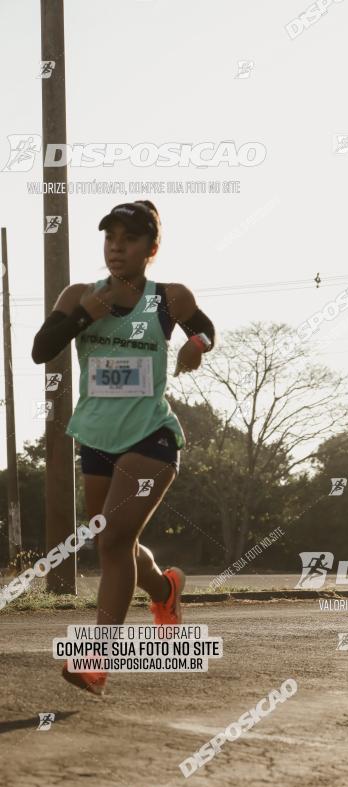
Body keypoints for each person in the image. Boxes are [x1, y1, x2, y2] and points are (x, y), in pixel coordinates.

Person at [32, 200, 216, 695]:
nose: (117, 246)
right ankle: (165, 589)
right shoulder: (78, 295)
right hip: (95, 437)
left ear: (151, 249)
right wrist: (81, 317)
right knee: (116, 543)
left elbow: (205, 328)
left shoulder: (168, 298)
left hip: (151, 436)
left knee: (112, 542)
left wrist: (195, 345)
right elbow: (40, 350)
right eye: (110, 237)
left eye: (130, 238)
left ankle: (96, 658)